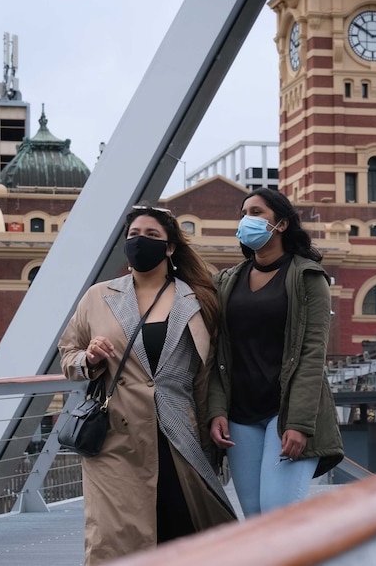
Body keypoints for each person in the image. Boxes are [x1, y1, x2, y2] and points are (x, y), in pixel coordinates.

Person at [58, 205, 236, 565]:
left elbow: (212, 369)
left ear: (170, 248)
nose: (141, 242)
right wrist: (88, 359)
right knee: (115, 537)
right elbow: (68, 356)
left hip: (178, 432)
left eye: (152, 236)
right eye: (134, 235)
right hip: (115, 438)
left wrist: (215, 415)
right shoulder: (99, 296)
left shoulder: (197, 300)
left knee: (182, 527)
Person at [208, 188, 344, 517]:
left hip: (284, 414)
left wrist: (298, 423)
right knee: (256, 518)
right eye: (243, 213)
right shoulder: (227, 281)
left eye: (256, 213)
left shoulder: (308, 277)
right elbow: (217, 353)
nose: (246, 220)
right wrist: (216, 409)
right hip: (240, 414)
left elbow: (313, 354)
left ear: (281, 224)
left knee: (277, 514)